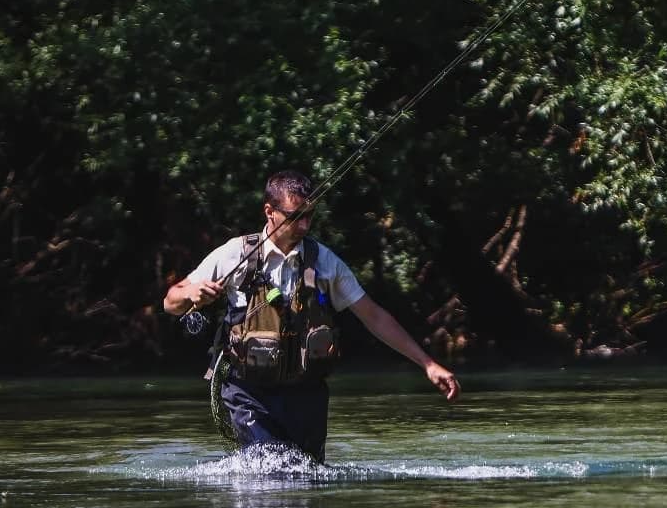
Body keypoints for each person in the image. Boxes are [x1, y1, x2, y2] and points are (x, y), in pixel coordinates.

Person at [164, 170, 459, 459]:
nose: (304, 225)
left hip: (307, 398)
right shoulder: (234, 255)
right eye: (295, 216)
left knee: (305, 485)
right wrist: (190, 294)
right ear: (270, 212)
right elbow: (170, 301)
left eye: (309, 215)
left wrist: (428, 364)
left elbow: (374, 316)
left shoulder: (326, 263)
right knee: (269, 477)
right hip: (249, 394)